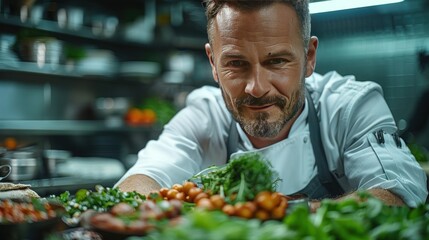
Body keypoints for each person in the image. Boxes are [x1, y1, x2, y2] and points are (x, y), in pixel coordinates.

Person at [116, 0, 428, 208]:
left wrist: (271, 216)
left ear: (309, 57)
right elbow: (138, 183)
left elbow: (398, 195)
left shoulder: (349, 107)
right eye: (236, 64)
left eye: (277, 61)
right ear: (213, 62)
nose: (257, 87)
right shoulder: (204, 115)